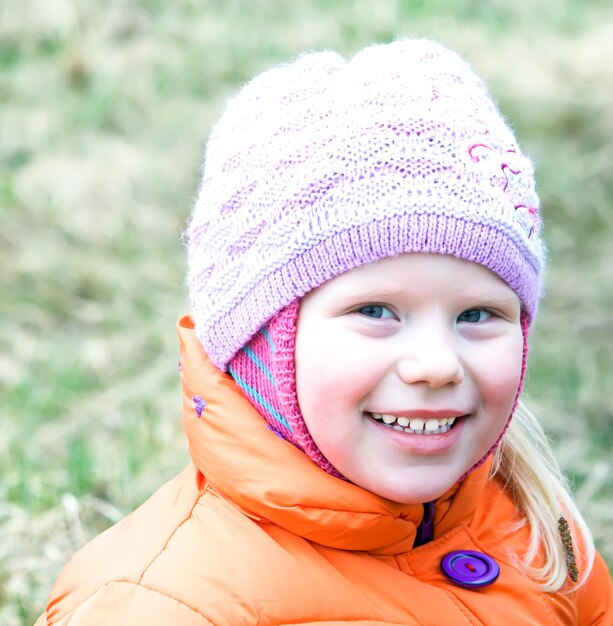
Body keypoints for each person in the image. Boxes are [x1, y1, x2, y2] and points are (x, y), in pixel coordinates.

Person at [36, 39, 612, 625]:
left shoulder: (526, 523)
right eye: (377, 311)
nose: (437, 364)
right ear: (261, 343)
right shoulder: (159, 607)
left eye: (477, 315)